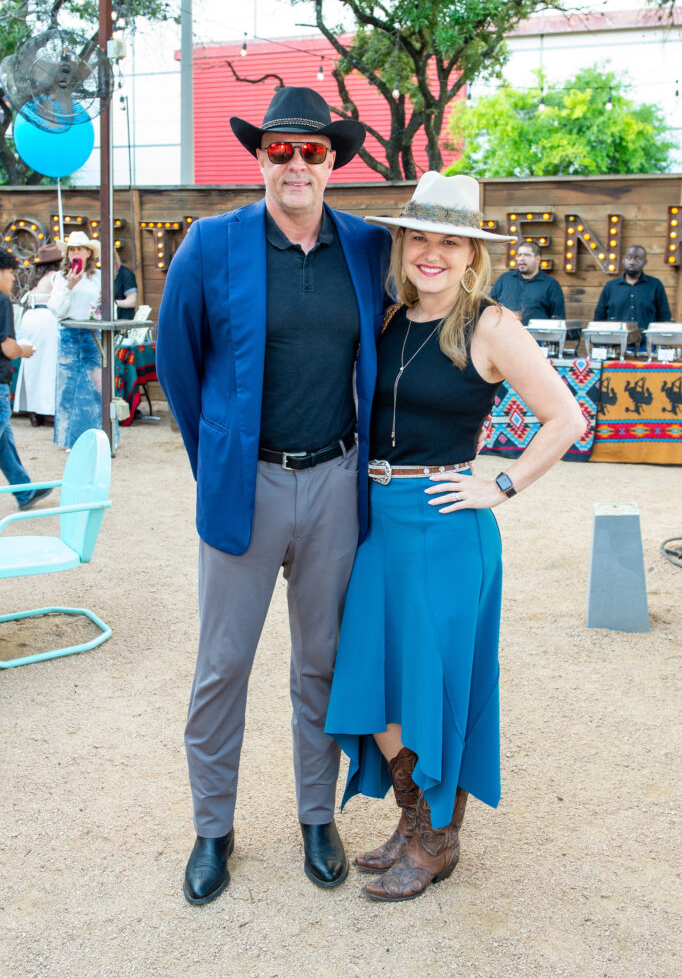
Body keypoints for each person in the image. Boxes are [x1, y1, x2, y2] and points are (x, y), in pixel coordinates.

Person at [156, 86, 392, 905]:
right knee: (222, 666)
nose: (296, 164)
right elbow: (179, 367)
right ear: (260, 156)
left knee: (320, 664)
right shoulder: (210, 243)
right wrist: (218, 457)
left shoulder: (367, 248)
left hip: (336, 480)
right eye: (280, 149)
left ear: (333, 160)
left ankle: (315, 816)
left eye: (313, 151)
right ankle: (212, 830)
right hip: (246, 483)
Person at [324, 172, 585, 903]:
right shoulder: (385, 318)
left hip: (445, 529)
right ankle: (416, 821)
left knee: (432, 689)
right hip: (380, 527)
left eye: (450, 241)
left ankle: (437, 841)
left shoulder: (492, 326)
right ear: (403, 244)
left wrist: (497, 486)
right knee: (373, 686)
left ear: (473, 255)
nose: (432, 253)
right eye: (421, 238)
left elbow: (567, 419)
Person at [0, 247, 53, 510]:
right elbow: (8, 348)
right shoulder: (1, 302)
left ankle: (23, 492)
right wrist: (25, 350)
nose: (12, 279)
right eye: (9, 272)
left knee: (4, 444)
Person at [47, 231, 102, 449]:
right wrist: (69, 287)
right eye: (71, 249)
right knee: (69, 386)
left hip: (91, 331)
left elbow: (106, 304)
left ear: (88, 253)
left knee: (96, 385)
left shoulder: (97, 276)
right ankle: (70, 439)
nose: (74, 253)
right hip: (69, 332)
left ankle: (98, 436)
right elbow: (56, 310)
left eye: (79, 249)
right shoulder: (60, 277)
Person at [13, 242, 61, 427]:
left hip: (29, 318)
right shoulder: (55, 276)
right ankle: (48, 411)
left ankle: (34, 411)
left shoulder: (35, 280)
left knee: (32, 365)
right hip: (46, 318)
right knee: (48, 365)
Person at [594, 244, 672, 331]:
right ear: (623, 260)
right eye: (629, 258)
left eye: (638, 259)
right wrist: (599, 343)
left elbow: (664, 317)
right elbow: (599, 317)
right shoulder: (611, 286)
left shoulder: (655, 285)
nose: (632, 262)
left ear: (645, 262)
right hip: (616, 342)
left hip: (647, 343)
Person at [490, 240, 565, 325]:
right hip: (504, 335)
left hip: (535, 337)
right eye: (519, 255)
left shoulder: (551, 284)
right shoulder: (504, 279)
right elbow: (490, 307)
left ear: (538, 258)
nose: (521, 258)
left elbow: (558, 319)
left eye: (527, 255)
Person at [114, 250, 138, 319]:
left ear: (114, 258)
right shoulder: (99, 273)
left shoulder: (126, 274)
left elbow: (132, 302)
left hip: (123, 319)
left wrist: (113, 303)